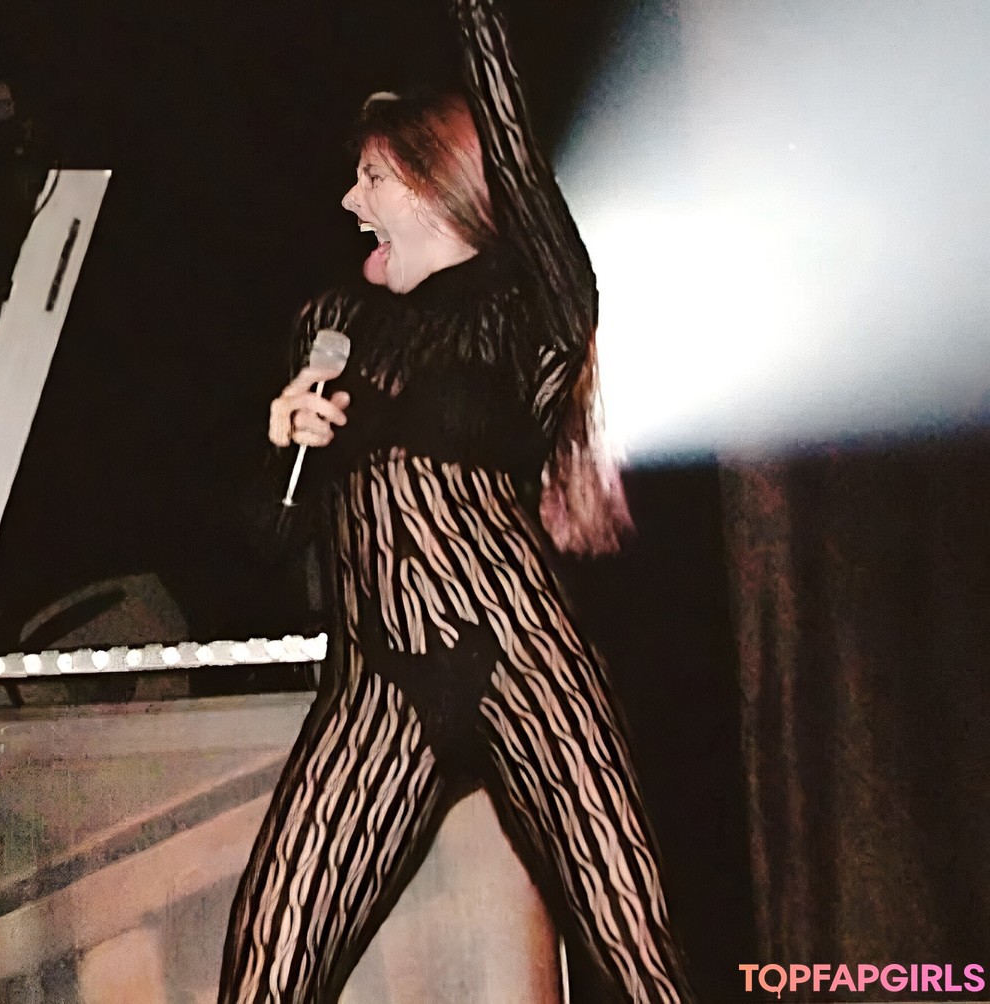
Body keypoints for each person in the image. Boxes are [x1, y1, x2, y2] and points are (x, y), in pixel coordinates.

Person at [219, 1, 694, 1001]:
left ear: (437, 184)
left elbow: (516, 155)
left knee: (639, 955)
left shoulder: (529, 308)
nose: (348, 199)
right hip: (382, 688)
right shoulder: (332, 321)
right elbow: (269, 537)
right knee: (268, 964)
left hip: (523, 660)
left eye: (373, 177)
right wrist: (280, 447)